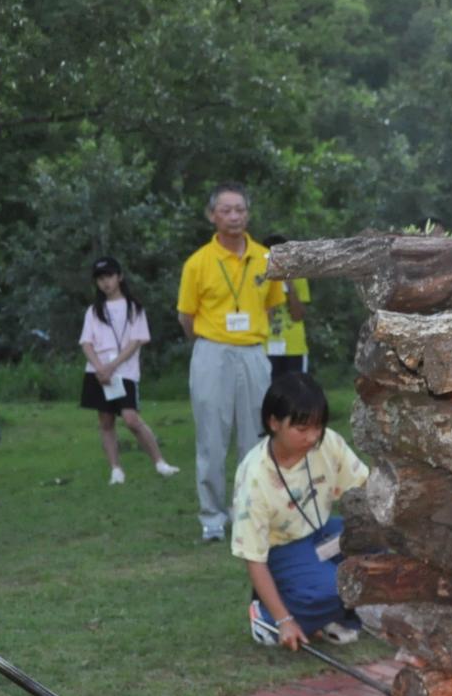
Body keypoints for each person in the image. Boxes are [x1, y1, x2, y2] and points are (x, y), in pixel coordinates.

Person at [176, 183, 294, 544]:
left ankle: (250, 512)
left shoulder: (264, 258)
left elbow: (273, 304)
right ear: (212, 215)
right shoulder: (198, 262)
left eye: (240, 209)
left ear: (248, 213)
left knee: (256, 438)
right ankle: (212, 517)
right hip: (212, 350)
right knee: (211, 438)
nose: (234, 216)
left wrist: (247, 336)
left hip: (254, 353)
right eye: (226, 210)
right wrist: (213, 342)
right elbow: (186, 317)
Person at [232, 371, 368, 648]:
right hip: (282, 551)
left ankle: (333, 613)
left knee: (374, 541)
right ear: (273, 423)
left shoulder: (327, 443)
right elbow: (253, 559)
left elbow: (364, 490)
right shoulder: (255, 478)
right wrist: (285, 621)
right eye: (302, 429)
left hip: (322, 535)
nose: (312, 437)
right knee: (337, 586)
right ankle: (270, 617)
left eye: (317, 427)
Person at [79, 256, 178, 485]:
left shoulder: (134, 308)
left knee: (131, 419)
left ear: (120, 277)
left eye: (110, 277)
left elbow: (136, 341)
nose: (106, 283)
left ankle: (160, 462)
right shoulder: (94, 310)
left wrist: (112, 366)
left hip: (124, 371)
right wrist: (100, 368)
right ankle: (116, 469)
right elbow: (86, 343)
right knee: (105, 421)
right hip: (98, 372)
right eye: (101, 278)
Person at [257, 234, 311, 377]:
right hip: (265, 346)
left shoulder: (297, 275)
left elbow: (298, 316)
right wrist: (272, 287)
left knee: (296, 393)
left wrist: (290, 287)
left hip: (294, 347)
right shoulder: (258, 278)